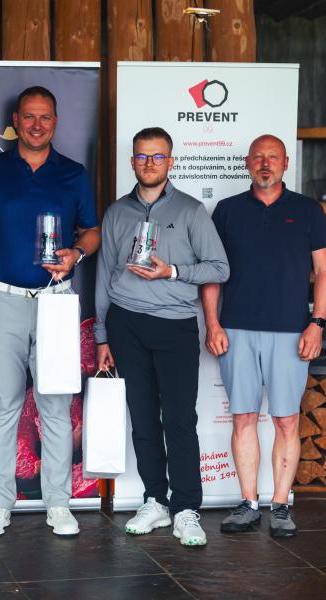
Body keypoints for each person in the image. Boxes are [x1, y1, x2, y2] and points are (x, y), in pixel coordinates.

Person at [0, 86, 100, 538]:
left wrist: (76, 253)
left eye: (45, 117)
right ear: (16, 121)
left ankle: (58, 503)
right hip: (2, 300)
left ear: (55, 122)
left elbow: (92, 231)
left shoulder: (74, 174)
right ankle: (0, 502)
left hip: (56, 300)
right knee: (3, 404)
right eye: (29, 116)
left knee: (56, 406)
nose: (37, 125)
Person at [95, 127, 229, 546]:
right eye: (142, 156)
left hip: (174, 324)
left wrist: (172, 271)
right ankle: (155, 499)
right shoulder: (116, 213)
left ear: (170, 161)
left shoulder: (191, 211)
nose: (149, 163)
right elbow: (104, 274)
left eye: (157, 156)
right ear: (132, 161)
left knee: (179, 418)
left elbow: (219, 268)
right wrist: (101, 335)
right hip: (126, 323)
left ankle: (186, 507)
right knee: (142, 416)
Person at [202, 134, 326, 538]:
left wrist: (318, 323)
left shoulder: (308, 210)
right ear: (247, 162)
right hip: (236, 329)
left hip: (292, 331)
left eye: (272, 157)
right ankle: (248, 504)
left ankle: (280, 505)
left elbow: (325, 272)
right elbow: (212, 273)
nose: (265, 163)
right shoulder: (227, 211)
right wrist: (213, 324)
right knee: (243, 418)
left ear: (285, 162)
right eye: (258, 157)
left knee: (286, 420)